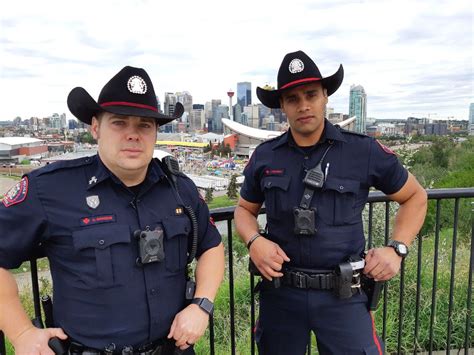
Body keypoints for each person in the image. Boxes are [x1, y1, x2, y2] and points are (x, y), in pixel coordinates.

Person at [0, 66, 225, 354]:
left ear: (156, 132)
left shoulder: (180, 189)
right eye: (119, 123)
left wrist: (201, 305)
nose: (133, 135)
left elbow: (212, 245)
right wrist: (20, 333)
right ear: (96, 128)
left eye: (144, 125)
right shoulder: (51, 190)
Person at [234, 50, 427, 354]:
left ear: (325, 95)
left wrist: (397, 249)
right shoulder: (265, 156)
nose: (304, 105)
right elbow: (244, 210)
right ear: (282, 106)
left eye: (311, 94)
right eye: (293, 99)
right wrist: (254, 240)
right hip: (281, 294)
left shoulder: (361, 151)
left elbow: (415, 197)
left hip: (344, 297)